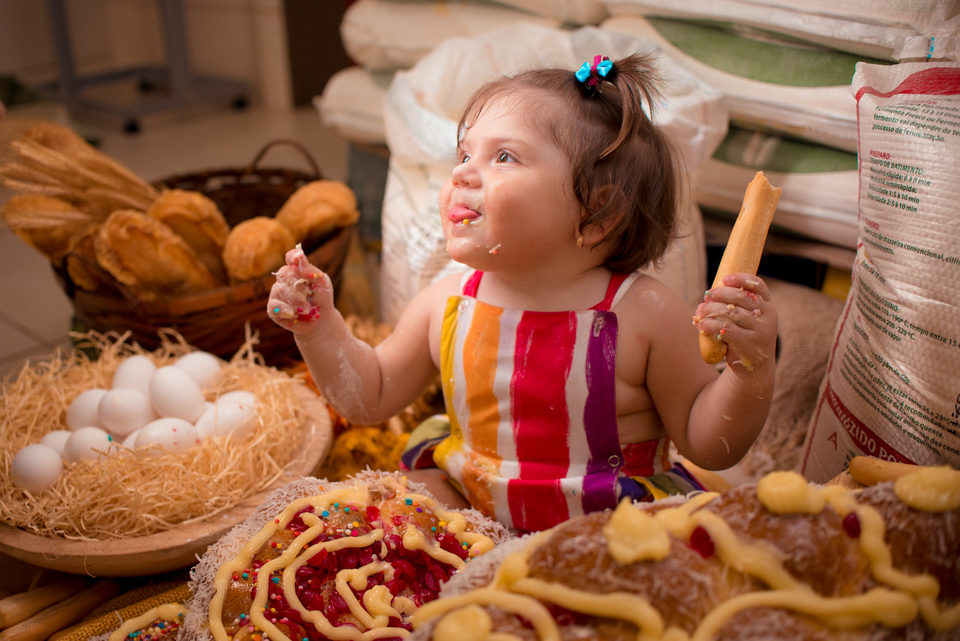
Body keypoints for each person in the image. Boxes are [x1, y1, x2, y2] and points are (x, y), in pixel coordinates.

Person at [267, 53, 779, 532]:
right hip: (471, 495)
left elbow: (709, 443)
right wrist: (320, 328)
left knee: (670, 552)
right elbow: (370, 394)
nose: (462, 172)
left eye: (504, 157)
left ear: (597, 215)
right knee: (369, 515)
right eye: (464, 152)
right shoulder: (446, 300)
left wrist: (747, 370)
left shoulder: (643, 312)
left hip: (607, 517)